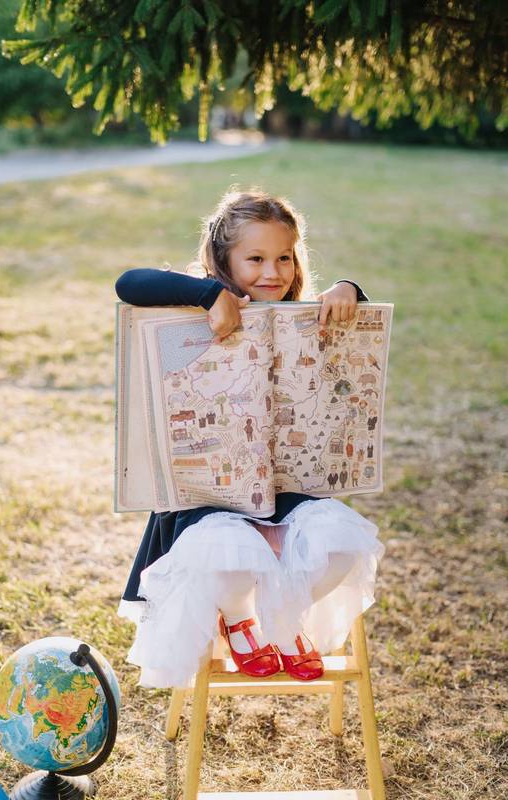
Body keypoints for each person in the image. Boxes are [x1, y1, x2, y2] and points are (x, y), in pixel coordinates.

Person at [116, 189, 384, 688]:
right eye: (255, 259)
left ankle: (284, 622)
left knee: (342, 546)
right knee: (225, 552)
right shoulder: (197, 303)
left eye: (284, 257)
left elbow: (353, 328)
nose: (272, 272)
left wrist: (349, 288)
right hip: (211, 500)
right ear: (224, 260)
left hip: (290, 493)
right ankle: (241, 620)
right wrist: (208, 296)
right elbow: (128, 282)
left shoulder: (303, 318)